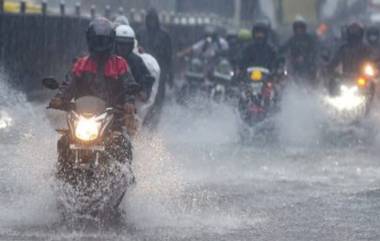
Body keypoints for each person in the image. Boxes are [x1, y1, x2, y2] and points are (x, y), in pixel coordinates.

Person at [49, 17, 139, 135]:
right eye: (97, 40)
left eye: (103, 41)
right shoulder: (81, 64)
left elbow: (129, 85)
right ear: (90, 40)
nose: (100, 44)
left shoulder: (119, 64)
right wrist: (60, 98)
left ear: (110, 40)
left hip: (113, 118)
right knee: (64, 140)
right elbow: (69, 83)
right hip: (82, 117)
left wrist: (129, 102)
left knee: (122, 144)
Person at [115, 24, 160, 127]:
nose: (123, 48)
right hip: (105, 102)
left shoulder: (136, 61)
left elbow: (146, 78)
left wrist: (143, 91)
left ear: (131, 45)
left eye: (126, 45)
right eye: (120, 44)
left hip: (128, 104)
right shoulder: (107, 58)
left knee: (131, 128)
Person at [137, 8, 172, 124]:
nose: (151, 22)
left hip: (160, 73)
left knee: (158, 101)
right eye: (150, 19)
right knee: (143, 99)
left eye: (153, 19)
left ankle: (154, 124)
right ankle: (143, 122)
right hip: (143, 72)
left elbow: (169, 56)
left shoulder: (164, 35)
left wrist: (171, 75)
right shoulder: (140, 33)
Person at [280, 17, 319, 86]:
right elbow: (283, 49)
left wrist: (308, 58)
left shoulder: (309, 39)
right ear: (294, 29)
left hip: (309, 66)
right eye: (297, 28)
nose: (299, 30)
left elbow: (316, 49)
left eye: (301, 28)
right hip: (295, 67)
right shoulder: (292, 40)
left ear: (304, 28)